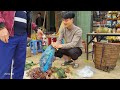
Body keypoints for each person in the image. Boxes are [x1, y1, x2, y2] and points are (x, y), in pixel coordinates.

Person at [0, 11, 37, 79]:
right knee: (5, 67)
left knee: (20, 66)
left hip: (23, 36)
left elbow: (26, 19)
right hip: (8, 35)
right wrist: (1, 26)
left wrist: (36, 28)